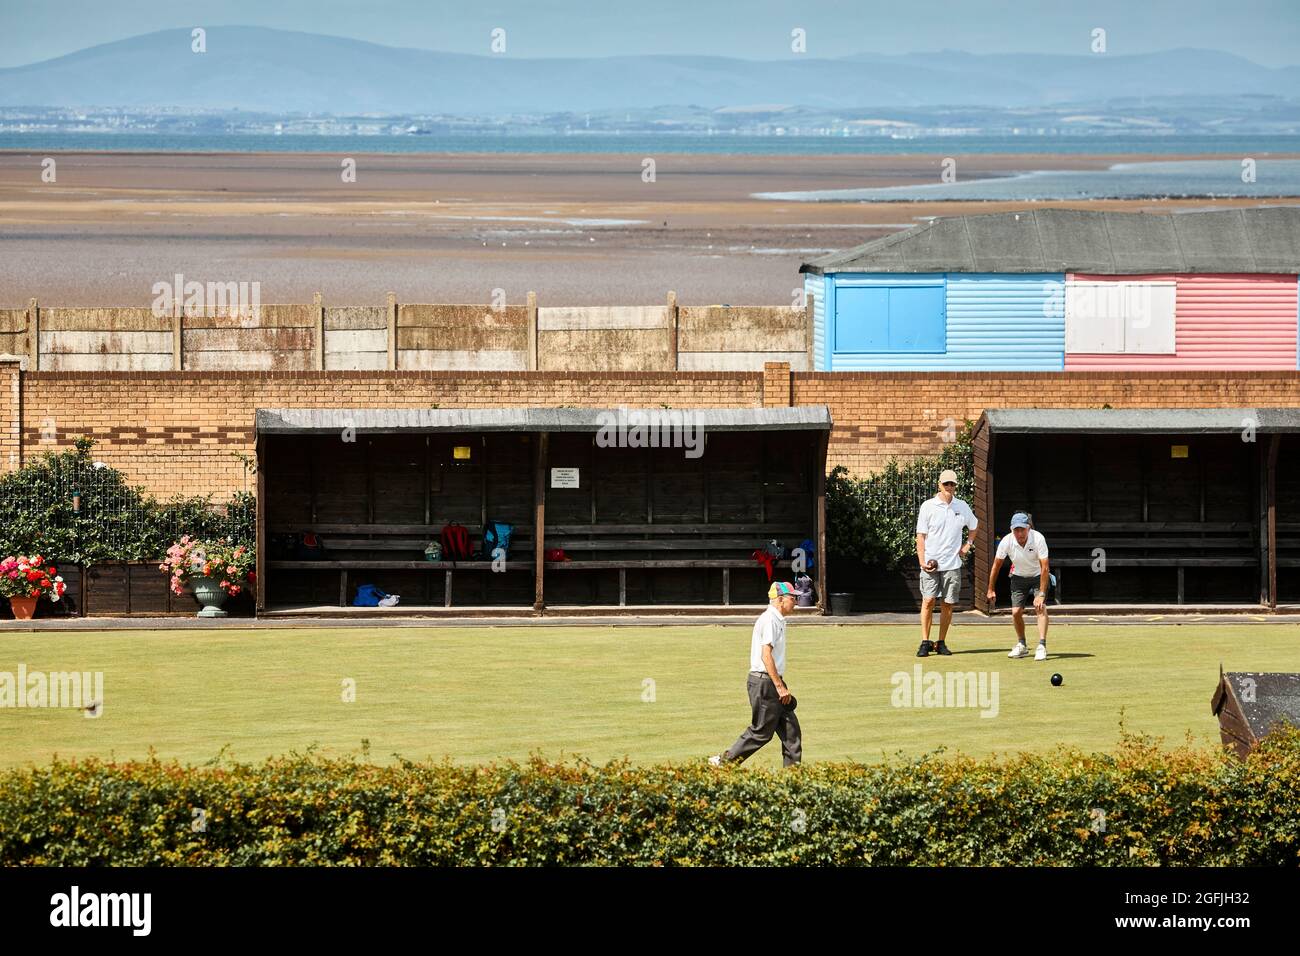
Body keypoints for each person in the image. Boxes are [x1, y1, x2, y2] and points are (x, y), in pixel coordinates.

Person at [709, 581, 801, 767]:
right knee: (761, 732)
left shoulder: (777, 619)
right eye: (793, 598)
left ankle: (794, 779)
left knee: (791, 732)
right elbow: (766, 656)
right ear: (780, 600)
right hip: (765, 684)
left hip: (771, 682)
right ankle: (724, 762)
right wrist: (780, 687)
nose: (796, 601)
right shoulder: (769, 620)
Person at [914, 469, 978, 657]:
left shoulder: (962, 506)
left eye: (952, 484)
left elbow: (974, 526)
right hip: (931, 565)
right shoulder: (928, 506)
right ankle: (925, 642)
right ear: (939, 485)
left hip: (952, 565)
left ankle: (941, 642)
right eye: (946, 484)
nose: (949, 487)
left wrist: (968, 544)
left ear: (956, 486)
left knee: (948, 604)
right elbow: (921, 536)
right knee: (928, 601)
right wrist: (922, 561)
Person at [986, 511, 1051, 660]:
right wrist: (990, 589)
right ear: (1011, 530)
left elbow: (1045, 567)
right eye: (1016, 530)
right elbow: (996, 566)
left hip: (1038, 575)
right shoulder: (1006, 541)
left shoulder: (1038, 538)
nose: (1019, 533)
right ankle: (1022, 645)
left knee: (1040, 607)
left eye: (1022, 529)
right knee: (1015, 612)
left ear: (1028, 528)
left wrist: (1041, 593)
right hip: (1018, 577)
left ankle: (1041, 645)